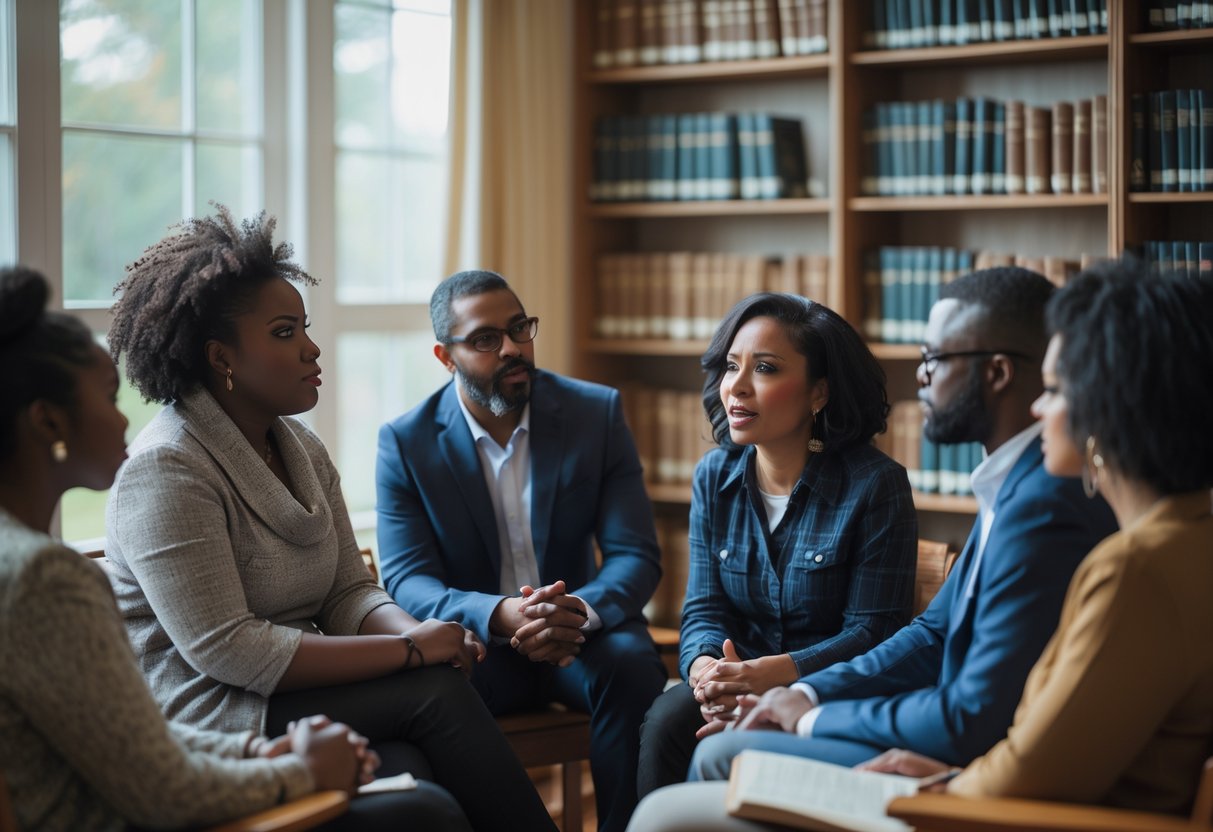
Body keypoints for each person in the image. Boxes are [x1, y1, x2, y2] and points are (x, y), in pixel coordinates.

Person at [628, 260, 1213, 830]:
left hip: (974, 804)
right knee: (684, 734)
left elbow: (998, 733)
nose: (1042, 406)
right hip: (970, 779)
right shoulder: (1052, 507)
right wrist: (795, 693)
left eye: (1057, 390)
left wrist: (820, 718)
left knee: (678, 798)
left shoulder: (1088, 539)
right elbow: (941, 641)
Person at [103, 208, 556, 832]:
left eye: (304, 328)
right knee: (436, 699)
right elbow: (227, 651)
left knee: (412, 768)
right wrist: (407, 652)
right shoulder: (167, 470)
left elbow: (348, 590)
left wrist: (421, 635)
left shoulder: (302, 449)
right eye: (285, 333)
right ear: (221, 358)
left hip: (299, 697)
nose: (312, 348)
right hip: (216, 716)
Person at [0, 265, 437, 831]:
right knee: (424, 800)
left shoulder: (26, 562)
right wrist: (299, 772)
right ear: (48, 421)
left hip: (205, 761)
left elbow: (135, 742)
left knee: (411, 776)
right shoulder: (45, 578)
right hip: (182, 762)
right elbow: (158, 786)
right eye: (108, 397)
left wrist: (262, 757)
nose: (122, 417)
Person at [376, 268, 668, 832]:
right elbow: (409, 581)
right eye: (486, 339)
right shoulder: (406, 442)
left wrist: (577, 610)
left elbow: (635, 554)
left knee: (635, 668)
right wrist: (501, 615)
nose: (512, 348)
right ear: (445, 355)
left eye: (519, 329)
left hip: (580, 634)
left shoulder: (595, 413)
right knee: (428, 697)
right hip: (479, 646)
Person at [636, 293, 918, 797]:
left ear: (818, 393)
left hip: (828, 692)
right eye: (730, 367)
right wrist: (707, 673)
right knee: (665, 722)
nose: (736, 388)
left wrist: (776, 675)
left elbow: (874, 631)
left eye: (764, 369)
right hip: (737, 676)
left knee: (714, 748)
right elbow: (704, 607)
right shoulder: (713, 476)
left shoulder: (875, 485)